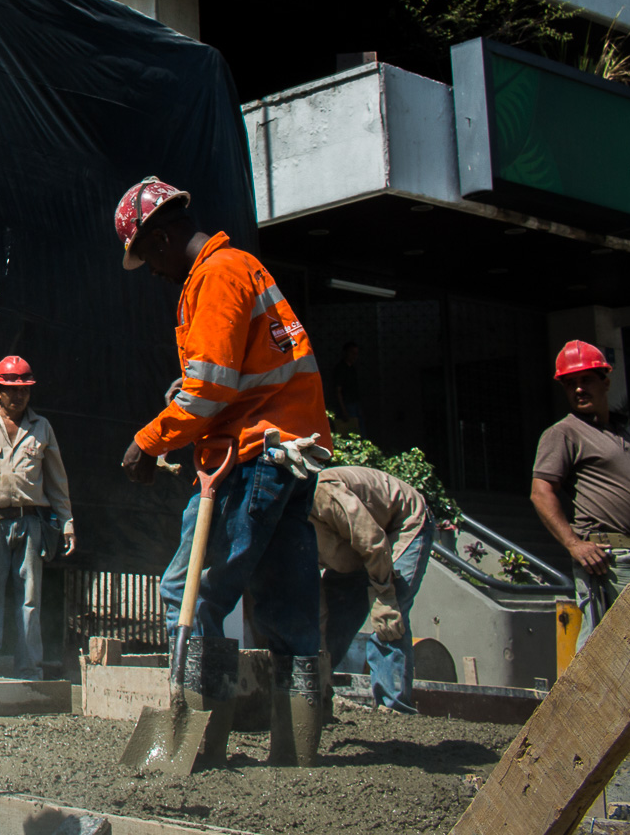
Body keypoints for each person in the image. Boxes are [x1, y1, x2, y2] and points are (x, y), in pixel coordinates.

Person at [113, 176, 334, 765]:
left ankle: (197, 741)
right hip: (290, 455)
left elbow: (209, 388)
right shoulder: (245, 267)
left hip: (251, 458)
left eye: (147, 257)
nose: (154, 274)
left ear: (160, 239)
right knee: (287, 607)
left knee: (189, 592)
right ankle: (299, 753)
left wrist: (147, 440)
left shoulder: (213, 277)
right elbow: (239, 374)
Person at [531, 340, 630, 649]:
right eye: (570, 383)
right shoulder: (564, 432)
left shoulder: (621, 437)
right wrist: (574, 544)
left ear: (606, 381)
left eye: (586, 380)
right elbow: (540, 491)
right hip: (606, 558)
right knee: (608, 650)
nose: (578, 389)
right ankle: (577, 698)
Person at [0, 356, 74, 679]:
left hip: (30, 524)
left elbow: (57, 482)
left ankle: (29, 672)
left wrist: (67, 523)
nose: (18, 396)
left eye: (24, 389)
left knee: (29, 600)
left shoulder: (42, 429)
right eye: (11, 389)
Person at [311, 465, 432, 713]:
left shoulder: (322, 494)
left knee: (388, 619)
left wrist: (385, 594)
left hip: (399, 524)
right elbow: (316, 603)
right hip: (353, 547)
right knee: (333, 622)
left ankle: (394, 707)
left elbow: (372, 541)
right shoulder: (284, 532)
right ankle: (316, 696)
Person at [329, 342, 363, 434]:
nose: (354, 356)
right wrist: (343, 409)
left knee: (358, 429)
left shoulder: (352, 368)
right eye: (352, 353)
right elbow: (338, 390)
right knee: (350, 431)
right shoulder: (341, 369)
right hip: (347, 404)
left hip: (354, 402)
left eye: (356, 353)